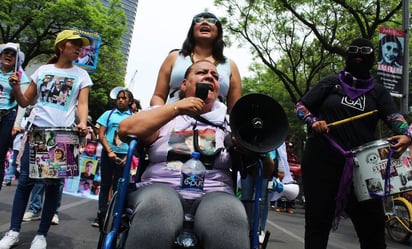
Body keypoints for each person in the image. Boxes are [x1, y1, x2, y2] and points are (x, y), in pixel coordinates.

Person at [118, 60, 251, 249]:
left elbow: (265, 167)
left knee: (229, 215)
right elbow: (125, 129)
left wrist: (245, 147)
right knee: (159, 206)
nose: (209, 77)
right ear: (184, 84)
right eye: (201, 73)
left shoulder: (230, 123)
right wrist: (177, 108)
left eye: (215, 76)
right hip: (160, 188)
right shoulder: (163, 114)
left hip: (215, 193)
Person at [295, 37, 412, 249]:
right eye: (353, 51)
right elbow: (301, 106)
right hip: (321, 165)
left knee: (373, 233)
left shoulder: (378, 92)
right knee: (317, 226)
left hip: (363, 171)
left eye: (364, 52)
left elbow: (397, 120)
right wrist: (313, 121)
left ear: (372, 59)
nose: (358, 56)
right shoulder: (330, 83)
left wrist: (408, 136)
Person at [0, 29, 92, 249]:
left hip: (62, 134)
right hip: (36, 130)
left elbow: (82, 105)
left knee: (52, 186)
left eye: (81, 46)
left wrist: (82, 123)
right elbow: (24, 102)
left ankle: (41, 234)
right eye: (75, 44)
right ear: (61, 47)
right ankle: (13, 231)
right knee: (24, 184)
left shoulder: (82, 76)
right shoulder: (42, 70)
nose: (80, 48)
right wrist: (15, 87)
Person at [150, 11, 242, 113]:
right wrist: (159, 121)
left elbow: (235, 108)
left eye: (211, 21)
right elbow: (158, 96)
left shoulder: (230, 65)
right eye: (198, 20)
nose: (204, 22)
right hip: (172, 123)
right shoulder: (174, 57)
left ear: (218, 31)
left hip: (214, 125)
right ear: (192, 30)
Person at [92, 89, 134, 228]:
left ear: (129, 101)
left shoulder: (134, 117)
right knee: (104, 185)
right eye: (118, 98)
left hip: (124, 157)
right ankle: (101, 216)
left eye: (124, 98)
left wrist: (128, 156)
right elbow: (101, 135)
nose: (120, 100)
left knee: (120, 187)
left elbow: (136, 139)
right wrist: (109, 151)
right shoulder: (107, 115)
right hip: (108, 154)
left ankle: (116, 217)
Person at [0, 42, 30, 189]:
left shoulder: (21, 76)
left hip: (7, 117)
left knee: (0, 156)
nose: (8, 56)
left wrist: (17, 124)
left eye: (13, 55)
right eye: (6, 53)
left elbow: (22, 104)